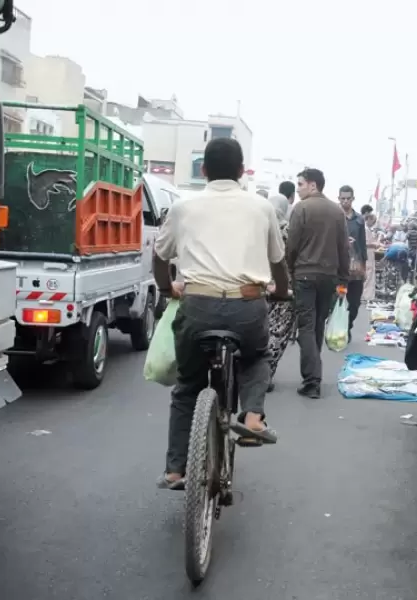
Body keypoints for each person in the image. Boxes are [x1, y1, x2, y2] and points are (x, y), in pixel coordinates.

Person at [152, 137, 289, 490]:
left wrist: (169, 288)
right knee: (257, 355)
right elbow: (278, 262)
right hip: (248, 307)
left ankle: (175, 470)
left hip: (197, 307)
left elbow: (160, 256)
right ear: (242, 172)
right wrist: (283, 292)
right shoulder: (262, 208)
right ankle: (253, 417)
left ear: (204, 169)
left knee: (187, 387)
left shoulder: (184, 207)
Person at [285, 168, 350, 398]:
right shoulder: (336, 211)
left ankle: (312, 380)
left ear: (313, 185)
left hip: (304, 275)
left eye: (300, 184)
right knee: (318, 326)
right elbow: (344, 248)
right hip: (329, 277)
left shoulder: (300, 208)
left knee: (306, 326)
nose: (298, 189)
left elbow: (292, 245)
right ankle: (313, 376)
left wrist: (289, 270)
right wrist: (343, 280)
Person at [265, 192, 297, 393]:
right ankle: (267, 373)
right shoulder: (288, 231)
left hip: (257, 285)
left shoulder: (258, 227)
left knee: (258, 330)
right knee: (278, 331)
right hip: (283, 287)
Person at [338, 185, 366, 341]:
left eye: (348, 198)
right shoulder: (335, 217)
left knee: (354, 304)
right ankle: (339, 329)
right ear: (339, 199)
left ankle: (348, 326)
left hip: (356, 270)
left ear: (353, 199)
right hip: (340, 271)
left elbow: (362, 245)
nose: (345, 201)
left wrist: (364, 267)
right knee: (340, 301)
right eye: (342, 198)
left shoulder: (359, 220)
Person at [361, 206, 378, 302]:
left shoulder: (367, 229)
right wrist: (374, 244)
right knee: (368, 275)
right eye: (373, 221)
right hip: (367, 253)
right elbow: (364, 243)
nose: (373, 224)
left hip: (369, 254)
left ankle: (367, 296)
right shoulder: (365, 229)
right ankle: (366, 296)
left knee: (369, 275)